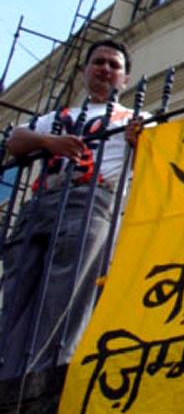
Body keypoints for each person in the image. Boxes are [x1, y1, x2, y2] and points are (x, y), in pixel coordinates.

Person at [0, 39, 142, 378]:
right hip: (42, 201)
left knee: (68, 289)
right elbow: (15, 141)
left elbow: (151, 161)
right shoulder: (58, 118)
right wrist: (49, 142)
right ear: (84, 71)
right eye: (99, 62)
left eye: (114, 66)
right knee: (18, 288)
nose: (105, 69)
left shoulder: (135, 119)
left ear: (125, 79)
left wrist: (139, 142)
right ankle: (8, 372)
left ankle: (45, 373)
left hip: (92, 198)